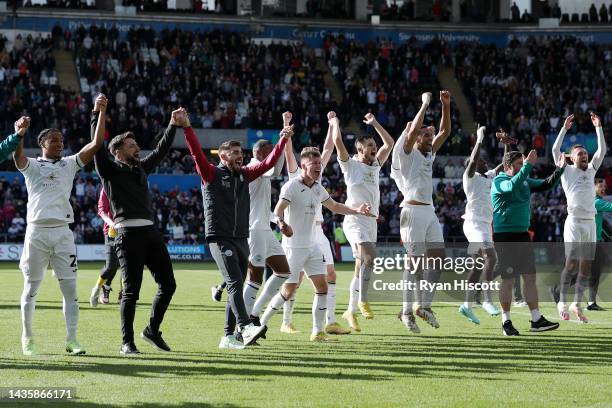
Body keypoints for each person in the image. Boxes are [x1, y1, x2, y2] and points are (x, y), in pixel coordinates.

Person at [184, 112, 289, 349]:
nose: (240, 157)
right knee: (233, 284)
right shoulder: (211, 173)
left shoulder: (244, 175)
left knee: (237, 287)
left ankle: (228, 337)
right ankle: (245, 325)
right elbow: (195, 153)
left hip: (241, 238)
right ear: (222, 156)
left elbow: (269, 163)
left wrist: (283, 138)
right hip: (220, 239)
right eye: (234, 153)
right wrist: (187, 127)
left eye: (241, 153)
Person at [16, 95, 107, 356]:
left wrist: (100, 111)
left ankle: (72, 340)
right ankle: (27, 337)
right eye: (54, 140)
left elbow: (97, 143)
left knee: (70, 290)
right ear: (42, 143)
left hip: (63, 234)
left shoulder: (69, 164)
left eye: (61, 140)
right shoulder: (32, 166)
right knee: (31, 289)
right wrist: (19, 134)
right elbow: (17, 156)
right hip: (36, 233)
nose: (59, 144)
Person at [93, 103, 184, 356]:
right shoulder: (108, 170)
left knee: (169, 284)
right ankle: (127, 343)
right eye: (132, 146)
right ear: (118, 151)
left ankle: (152, 331)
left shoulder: (141, 168)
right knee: (131, 292)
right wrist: (97, 113)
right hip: (127, 236)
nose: (137, 148)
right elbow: (97, 144)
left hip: (151, 234)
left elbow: (161, 149)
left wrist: (173, 124)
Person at [261, 147, 373, 342]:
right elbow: (277, 211)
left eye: (320, 164)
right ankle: (260, 323)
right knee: (288, 290)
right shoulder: (291, 186)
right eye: (314, 165)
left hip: (312, 247)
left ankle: (317, 331)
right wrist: (282, 224)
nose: (318, 168)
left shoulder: (318, 188)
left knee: (322, 288)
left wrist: (357, 210)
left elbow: (335, 207)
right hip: (293, 248)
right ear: (303, 166)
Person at [279, 111, 351, 336]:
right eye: (311, 161)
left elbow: (328, 148)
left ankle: (329, 321)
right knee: (296, 279)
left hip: (317, 231)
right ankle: (286, 320)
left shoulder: (317, 179)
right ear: (302, 165)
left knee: (331, 275)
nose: (316, 164)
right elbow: (288, 150)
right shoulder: (294, 178)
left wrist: (332, 125)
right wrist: (286, 124)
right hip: (298, 233)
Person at [391, 91, 451, 333]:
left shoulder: (429, 153)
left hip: (429, 212)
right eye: (426, 134)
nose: (430, 137)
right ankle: (406, 312)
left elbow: (445, 132)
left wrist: (446, 106)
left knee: (438, 257)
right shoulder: (407, 153)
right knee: (414, 264)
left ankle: (423, 306)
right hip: (412, 212)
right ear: (415, 138)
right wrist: (425, 103)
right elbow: (414, 130)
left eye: (430, 134)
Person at [491, 145, 565, 336]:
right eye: (518, 164)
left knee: (530, 278)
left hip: (522, 235)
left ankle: (536, 319)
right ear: (508, 166)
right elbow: (512, 186)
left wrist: (560, 169)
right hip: (505, 236)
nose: (522, 166)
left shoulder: (524, 179)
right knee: (508, 280)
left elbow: (546, 184)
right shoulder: (500, 180)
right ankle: (506, 322)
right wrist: (527, 166)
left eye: (522, 163)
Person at [332, 112, 394, 330]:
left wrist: (375, 123)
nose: (374, 147)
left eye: (373, 144)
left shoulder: (375, 165)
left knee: (361, 266)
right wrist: (335, 124)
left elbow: (390, 143)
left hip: (370, 222)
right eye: (369, 145)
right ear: (359, 150)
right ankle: (363, 300)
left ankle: (350, 310)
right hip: (354, 220)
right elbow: (338, 142)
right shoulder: (350, 166)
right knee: (370, 258)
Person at [553, 113, 606, 322]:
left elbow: (602, 151)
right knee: (572, 263)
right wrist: (564, 129)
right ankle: (562, 302)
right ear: (572, 158)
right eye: (580, 154)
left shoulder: (592, 170)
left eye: (585, 153)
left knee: (586, 266)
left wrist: (598, 128)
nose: (585, 155)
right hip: (574, 222)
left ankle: (576, 304)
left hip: (590, 224)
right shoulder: (566, 171)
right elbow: (555, 150)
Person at [458, 126, 506, 324]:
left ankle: (467, 306)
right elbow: (473, 159)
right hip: (473, 224)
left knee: (477, 266)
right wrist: (479, 139)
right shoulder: (469, 177)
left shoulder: (488, 176)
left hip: (485, 225)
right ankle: (487, 299)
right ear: (472, 164)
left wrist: (505, 144)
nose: (484, 161)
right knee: (491, 256)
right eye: (479, 160)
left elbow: (504, 164)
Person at [89, 188, 120, 306]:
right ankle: (97, 288)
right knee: (111, 266)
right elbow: (102, 211)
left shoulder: (126, 185)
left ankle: (123, 296)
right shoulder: (105, 190)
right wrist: (112, 224)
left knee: (124, 264)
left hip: (126, 229)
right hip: (111, 231)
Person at [589, 180, 612, 310]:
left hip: (596, 243)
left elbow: (600, 225)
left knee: (595, 273)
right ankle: (557, 290)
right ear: (593, 187)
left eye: (605, 186)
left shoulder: (595, 202)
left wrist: (608, 236)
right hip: (590, 243)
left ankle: (591, 303)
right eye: (601, 186)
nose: (604, 188)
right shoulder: (596, 202)